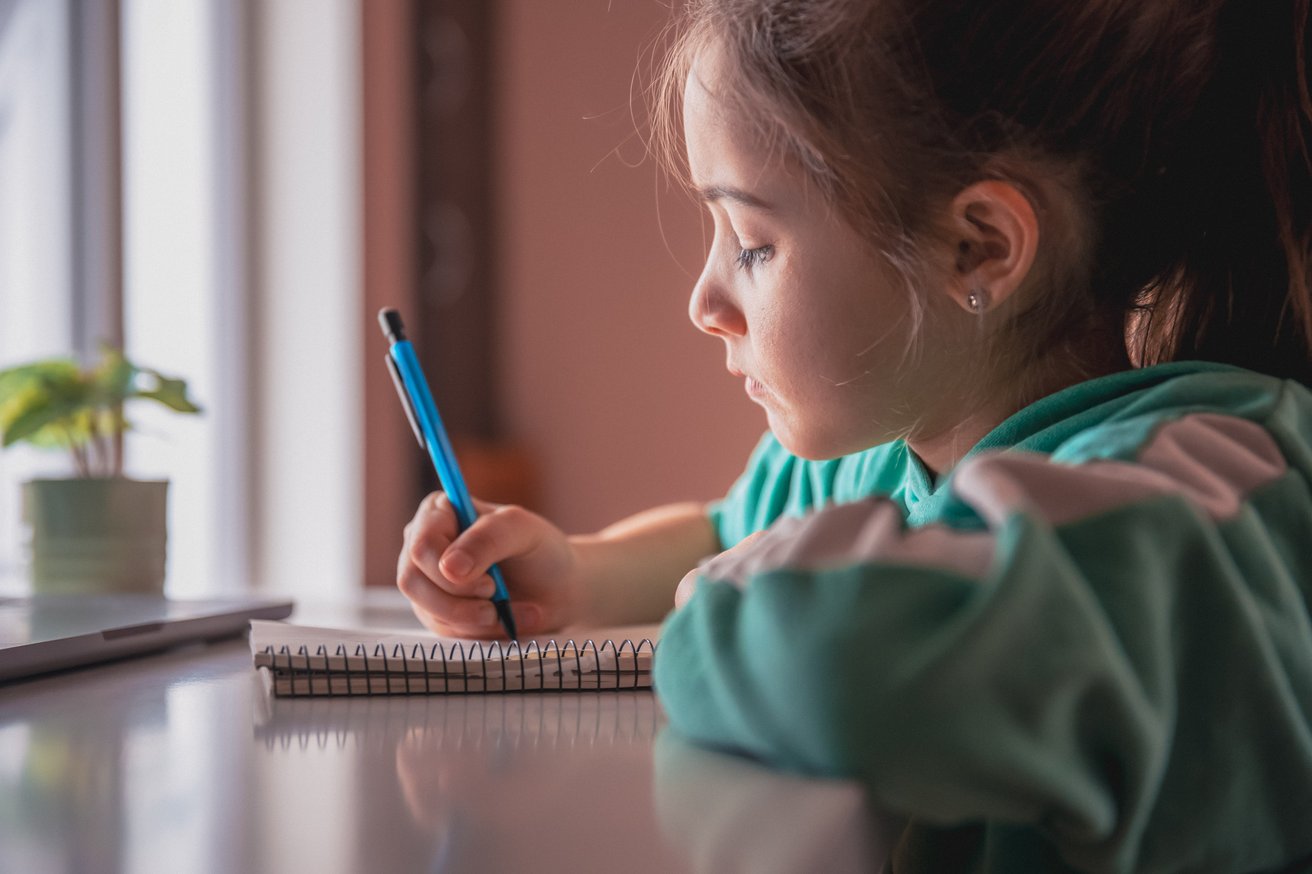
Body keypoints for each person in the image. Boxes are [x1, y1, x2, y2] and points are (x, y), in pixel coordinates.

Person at [396, 0, 1312, 869]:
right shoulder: (897, 453)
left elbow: (830, 662)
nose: (705, 300)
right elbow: (727, 534)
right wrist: (576, 573)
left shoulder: (1208, 494)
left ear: (979, 247)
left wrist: (707, 619)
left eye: (752, 241)